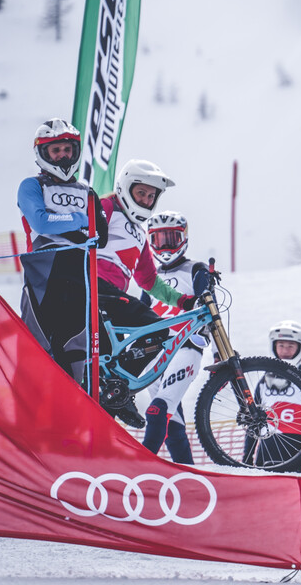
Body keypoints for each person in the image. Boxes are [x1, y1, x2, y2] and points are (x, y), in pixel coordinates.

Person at [95, 159, 195, 426]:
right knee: (156, 328)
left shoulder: (140, 235)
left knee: (108, 366)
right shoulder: (107, 207)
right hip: (94, 288)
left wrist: (183, 300)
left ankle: (114, 396)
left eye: (152, 196)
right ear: (124, 187)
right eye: (141, 193)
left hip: (111, 298)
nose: (146, 200)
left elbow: (149, 280)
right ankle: (123, 392)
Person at [17, 119, 105, 379]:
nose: (63, 156)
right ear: (43, 153)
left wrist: (65, 225)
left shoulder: (87, 191)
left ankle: (74, 399)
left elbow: (101, 236)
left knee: (75, 345)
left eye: (67, 149)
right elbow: (41, 222)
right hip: (44, 271)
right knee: (38, 343)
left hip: (80, 271)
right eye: (56, 150)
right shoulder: (32, 185)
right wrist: (80, 221)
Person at [139, 211, 212, 464]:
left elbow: (211, 310)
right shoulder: (151, 278)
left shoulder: (196, 269)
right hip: (155, 354)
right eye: (159, 240)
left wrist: (218, 353)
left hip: (186, 346)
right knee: (171, 421)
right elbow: (139, 317)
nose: (166, 246)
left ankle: (141, 462)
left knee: (158, 410)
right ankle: (187, 472)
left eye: (172, 238)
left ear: (184, 238)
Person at [251, 320, 301, 469]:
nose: (285, 350)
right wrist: (246, 459)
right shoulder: (263, 382)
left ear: (300, 347)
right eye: (281, 345)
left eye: (291, 346)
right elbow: (253, 423)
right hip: (265, 452)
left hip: (296, 453)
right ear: (274, 346)